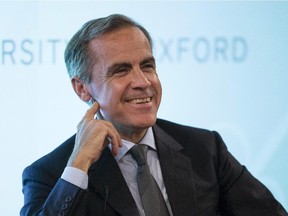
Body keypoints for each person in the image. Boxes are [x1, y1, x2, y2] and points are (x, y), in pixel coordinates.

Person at [21, 14, 287, 216]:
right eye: (121, 70)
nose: (143, 81)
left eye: (147, 66)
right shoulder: (51, 174)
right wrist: (78, 166)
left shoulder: (205, 149)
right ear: (82, 88)